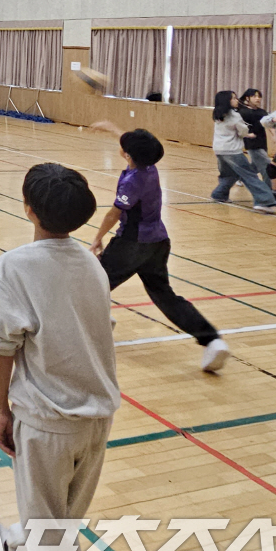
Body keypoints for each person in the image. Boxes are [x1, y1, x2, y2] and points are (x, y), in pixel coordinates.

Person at [0, 163, 119, 551]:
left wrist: (1, 409)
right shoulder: (92, 264)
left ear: (28, 209)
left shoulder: (16, 265)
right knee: (56, 524)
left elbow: (3, 346)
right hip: (98, 420)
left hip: (46, 424)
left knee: (54, 544)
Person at [88, 124, 230, 371]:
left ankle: (98, 323)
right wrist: (110, 128)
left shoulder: (132, 181)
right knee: (164, 295)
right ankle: (212, 340)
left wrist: (97, 238)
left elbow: (114, 213)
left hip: (132, 244)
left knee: (91, 281)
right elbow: (132, 144)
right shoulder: (150, 166)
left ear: (128, 155)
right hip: (158, 243)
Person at [210, 91, 276, 210]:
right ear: (227, 101)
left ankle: (219, 194)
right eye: (234, 98)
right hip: (232, 150)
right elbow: (242, 131)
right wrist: (248, 134)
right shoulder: (234, 115)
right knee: (250, 175)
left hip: (219, 149)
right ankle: (264, 201)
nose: (237, 100)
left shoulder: (218, 114)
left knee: (229, 175)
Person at [239, 88, 271, 181]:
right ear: (247, 98)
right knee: (266, 165)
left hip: (262, 140)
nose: (257, 98)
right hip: (251, 142)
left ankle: (241, 177)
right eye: (254, 96)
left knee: (255, 165)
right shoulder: (243, 111)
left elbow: (269, 125)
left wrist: (274, 138)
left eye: (259, 96)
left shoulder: (262, 112)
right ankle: (269, 188)